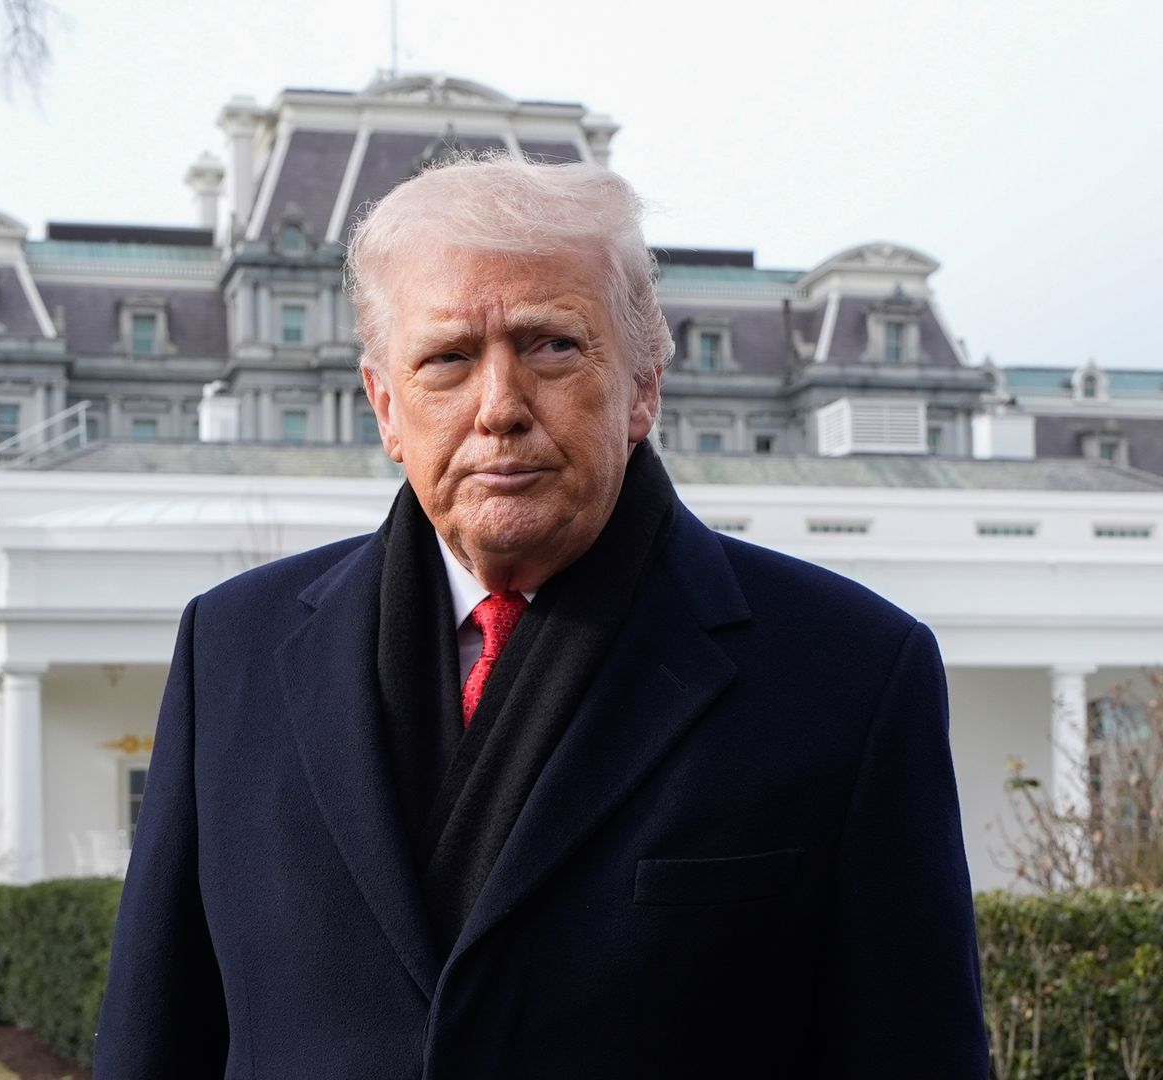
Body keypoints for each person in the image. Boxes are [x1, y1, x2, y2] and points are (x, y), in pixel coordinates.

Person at [94, 156, 987, 1078]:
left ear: (644, 382)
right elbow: (153, 1042)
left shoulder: (849, 673)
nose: (500, 408)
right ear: (386, 405)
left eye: (551, 346)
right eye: (447, 359)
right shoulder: (230, 650)